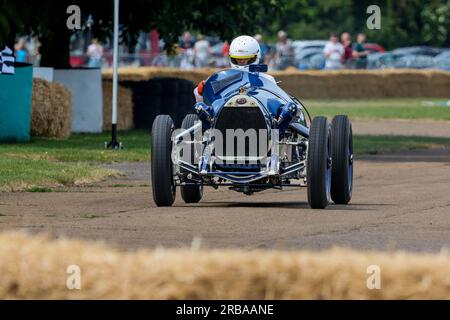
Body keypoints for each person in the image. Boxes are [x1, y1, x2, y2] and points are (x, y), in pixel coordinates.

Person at [193, 35, 275, 103]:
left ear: (256, 56)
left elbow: (274, 103)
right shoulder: (222, 77)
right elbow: (203, 101)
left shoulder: (267, 79)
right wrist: (201, 90)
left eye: (246, 58)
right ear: (231, 58)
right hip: (226, 115)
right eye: (238, 58)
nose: (242, 61)